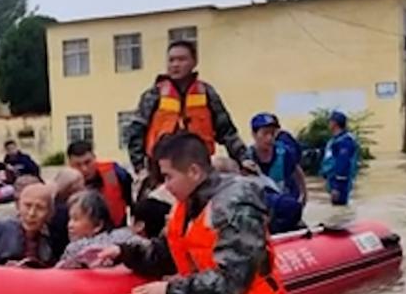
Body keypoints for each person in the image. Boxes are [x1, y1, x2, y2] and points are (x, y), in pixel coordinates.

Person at [93, 132, 302, 294]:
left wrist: (170, 291)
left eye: (169, 177)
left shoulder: (235, 205)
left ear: (193, 171)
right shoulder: (189, 205)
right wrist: (124, 252)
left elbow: (233, 279)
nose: (165, 186)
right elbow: (167, 253)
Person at [123, 41, 251, 192]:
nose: (175, 64)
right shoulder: (154, 95)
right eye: (171, 60)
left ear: (194, 62)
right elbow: (136, 133)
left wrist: (244, 159)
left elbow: (227, 131)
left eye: (181, 59)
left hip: (198, 171)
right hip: (161, 173)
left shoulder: (207, 93)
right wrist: (140, 168)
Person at [246, 113, 307, 233]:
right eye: (265, 133)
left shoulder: (284, 153)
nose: (269, 138)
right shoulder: (246, 158)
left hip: (284, 209)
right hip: (261, 213)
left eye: (272, 133)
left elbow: (297, 171)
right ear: (254, 135)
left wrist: (303, 195)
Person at [55, 190, 141, 269]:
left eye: (76, 219)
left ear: (98, 225)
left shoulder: (74, 249)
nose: (70, 225)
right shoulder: (127, 236)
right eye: (70, 219)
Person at [67, 140, 133, 227]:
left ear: (94, 158)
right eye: (78, 165)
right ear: (70, 165)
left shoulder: (114, 172)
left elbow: (130, 197)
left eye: (88, 162)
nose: (84, 169)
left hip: (118, 229)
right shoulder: (66, 185)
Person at [320, 111, 360, 206]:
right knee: (337, 211)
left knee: (339, 208)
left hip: (340, 183)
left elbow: (343, 164)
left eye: (330, 121)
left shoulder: (345, 141)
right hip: (333, 180)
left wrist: (337, 187)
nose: (328, 124)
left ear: (335, 123)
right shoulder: (336, 140)